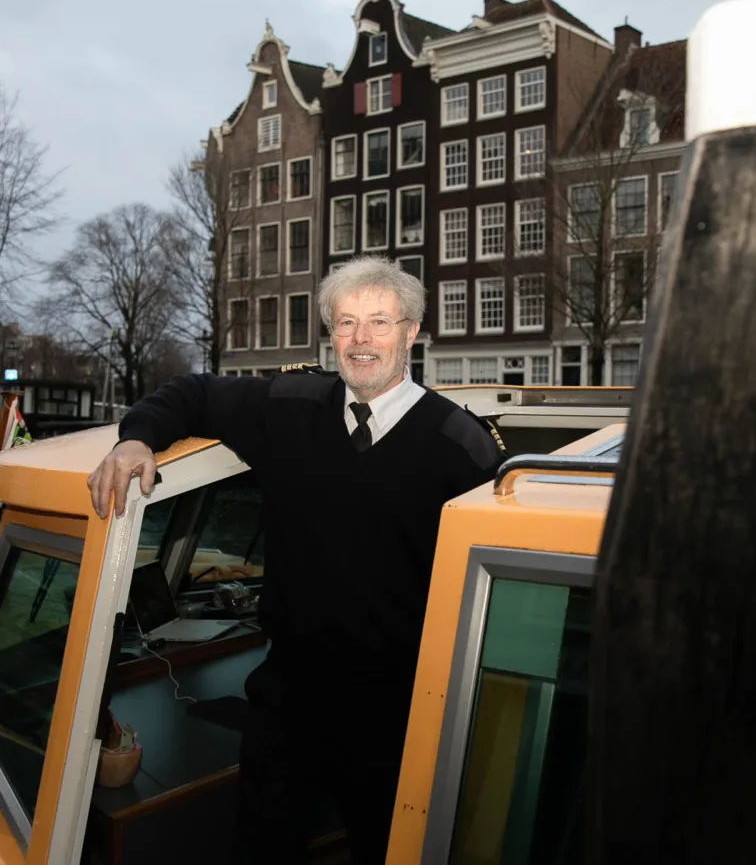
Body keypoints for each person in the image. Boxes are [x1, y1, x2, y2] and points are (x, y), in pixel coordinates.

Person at [86, 256, 505, 863]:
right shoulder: (289, 404)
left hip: (397, 708)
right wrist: (135, 439)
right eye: (346, 323)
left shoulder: (461, 448)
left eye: (380, 323)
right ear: (331, 333)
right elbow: (191, 392)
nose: (361, 341)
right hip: (290, 696)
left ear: (411, 332)